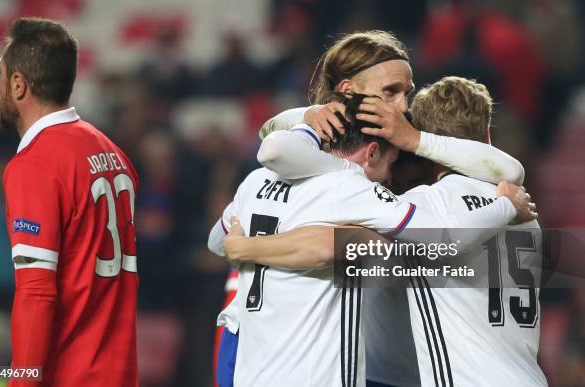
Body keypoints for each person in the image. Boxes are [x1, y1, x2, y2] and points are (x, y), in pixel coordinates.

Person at [212, 30, 528, 387]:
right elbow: (506, 176)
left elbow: (266, 150)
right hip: (280, 349)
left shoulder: (266, 175)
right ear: (349, 92)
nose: (404, 106)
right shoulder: (345, 180)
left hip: (269, 351)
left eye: (407, 92)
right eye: (391, 91)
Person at [0, 18, 139, 386]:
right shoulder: (113, 153)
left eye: (1, 75)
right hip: (120, 374)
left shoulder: (36, 164)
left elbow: (36, 291)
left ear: (18, 84)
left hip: (71, 375)